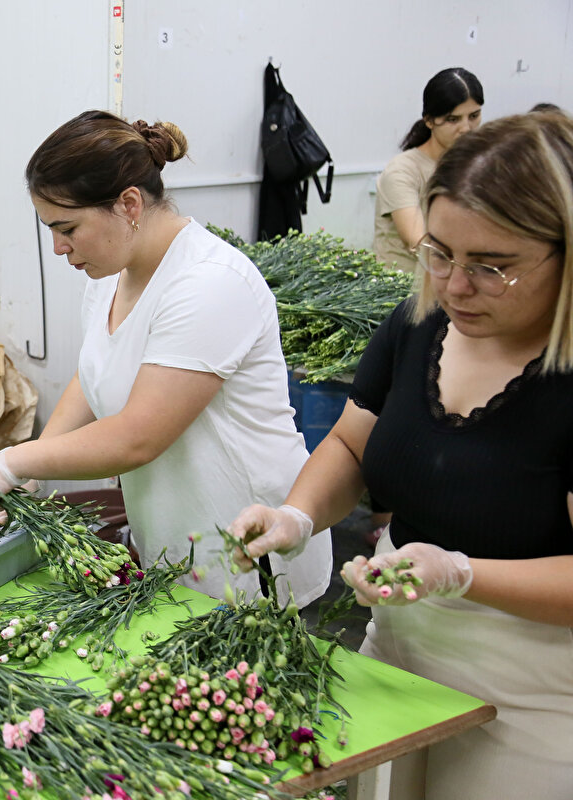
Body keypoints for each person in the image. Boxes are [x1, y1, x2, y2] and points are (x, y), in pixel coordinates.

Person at [229, 113, 573, 797]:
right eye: (440, 254)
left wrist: (463, 574)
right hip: (399, 652)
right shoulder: (419, 324)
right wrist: (300, 514)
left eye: (491, 268)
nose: (455, 286)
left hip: (536, 692)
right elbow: (355, 443)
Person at [0, 110, 332, 603]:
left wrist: (13, 460)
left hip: (247, 546)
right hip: (170, 536)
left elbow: (139, 436)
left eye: (68, 227)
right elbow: (94, 376)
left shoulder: (208, 282)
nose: (58, 247)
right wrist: (37, 466)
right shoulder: (110, 275)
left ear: (129, 204)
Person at [374, 68, 483, 272]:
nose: (466, 128)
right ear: (429, 121)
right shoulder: (403, 170)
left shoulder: (478, 165)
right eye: (453, 119)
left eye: (474, 116)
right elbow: (419, 242)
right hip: (406, 291)